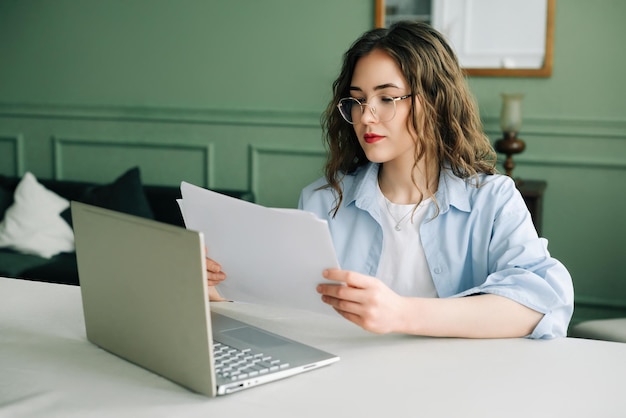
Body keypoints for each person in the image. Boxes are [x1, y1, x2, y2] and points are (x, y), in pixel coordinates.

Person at [206, 21, 574, 339]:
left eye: (386, 98)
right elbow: (296, 313)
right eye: (358, 100)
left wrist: (401, 313)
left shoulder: (492, 200)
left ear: (434, 100)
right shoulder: (321, 201)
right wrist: (229, 293)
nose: (367, 117)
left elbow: (542, 301)